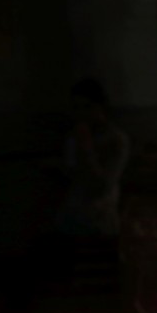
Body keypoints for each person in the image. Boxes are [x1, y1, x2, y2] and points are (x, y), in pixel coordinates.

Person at [54, 77, 130, 242]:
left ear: (100, 106)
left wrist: (87, 149)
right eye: (76, 108)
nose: (82, 114)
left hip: (100, 221)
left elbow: (103, 186)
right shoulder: (74, 136)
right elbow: (71, 172)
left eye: (87, 107)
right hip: (72, 217)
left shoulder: (116, 140)